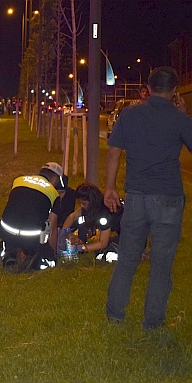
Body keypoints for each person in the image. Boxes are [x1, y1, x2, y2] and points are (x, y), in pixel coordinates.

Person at [104, 66, 192, 330]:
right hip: (168, 198)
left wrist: (110, 188)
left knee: (128, 257)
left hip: (136, 198)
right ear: (174, 90)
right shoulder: (179, 118)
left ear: (148, 89)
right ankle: (152, 323)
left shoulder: (130, 114)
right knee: (162, 263)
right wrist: (184, 115)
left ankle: (115, 315)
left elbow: (113, 153)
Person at [60, 183, 122, 262]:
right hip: (125, 232)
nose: (82, 206)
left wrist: (82, 248)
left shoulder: (104, 213)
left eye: (84, 203)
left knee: (104, 250)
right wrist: (63, 233)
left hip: (131, 233)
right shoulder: (93, 207)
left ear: (92, 202)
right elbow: (72, 217)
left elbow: (103, 243)